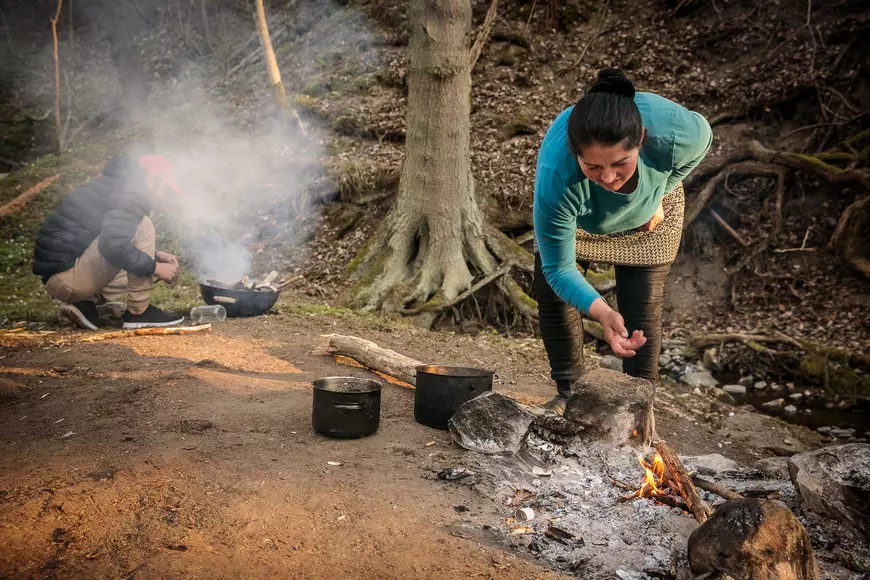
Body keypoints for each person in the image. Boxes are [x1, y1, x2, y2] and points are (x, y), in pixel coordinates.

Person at [533, 69, 713, 415]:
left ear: (641, 139)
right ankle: (569, 394)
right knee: (549, 287)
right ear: (576, 155)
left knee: (642, 303)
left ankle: (638, 406)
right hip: (583, 214)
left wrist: (661, 190)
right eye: (594, 167)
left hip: (652, 214)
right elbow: (559, 268)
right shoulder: (558, 173)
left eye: (620, 163)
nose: (609, 178)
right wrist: (601, 310)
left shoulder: (676, 133)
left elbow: (703, 142)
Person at [32, 154, 186, 330]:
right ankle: (139, 313)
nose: (165, 197)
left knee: (141, 258)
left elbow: (108, 236)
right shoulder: (131, 195)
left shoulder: (114, 187)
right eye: (166, 188)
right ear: (153, 179)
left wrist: (155, 255)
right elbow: (113, 246)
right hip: (68, 278)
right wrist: (156, 267)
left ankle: (84, 303)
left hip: (60, 279)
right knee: (144, 225)